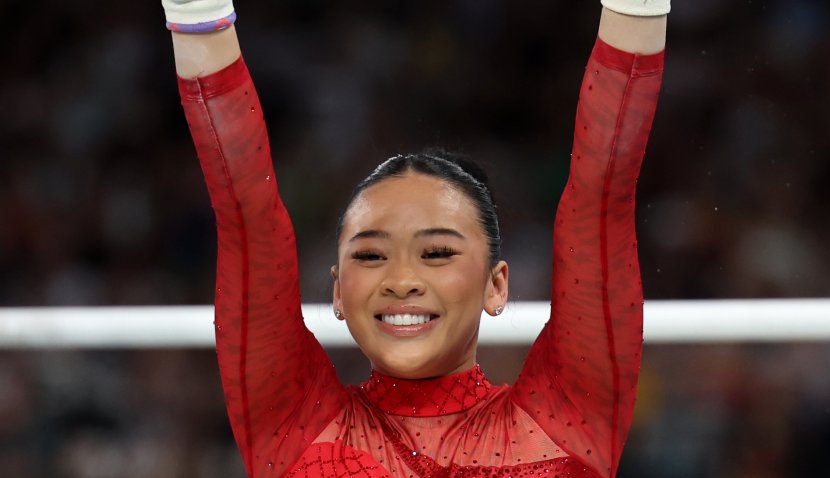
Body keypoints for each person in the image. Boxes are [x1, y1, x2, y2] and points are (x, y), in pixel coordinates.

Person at [162, 0, 668, 476]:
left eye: (438, 252)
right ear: (338, 291)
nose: (401, 280)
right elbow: (245, 211)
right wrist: (196, 10)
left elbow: (604, 191)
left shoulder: (564, 413)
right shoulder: (296, 421)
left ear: (496, 285)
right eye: (371, 254)